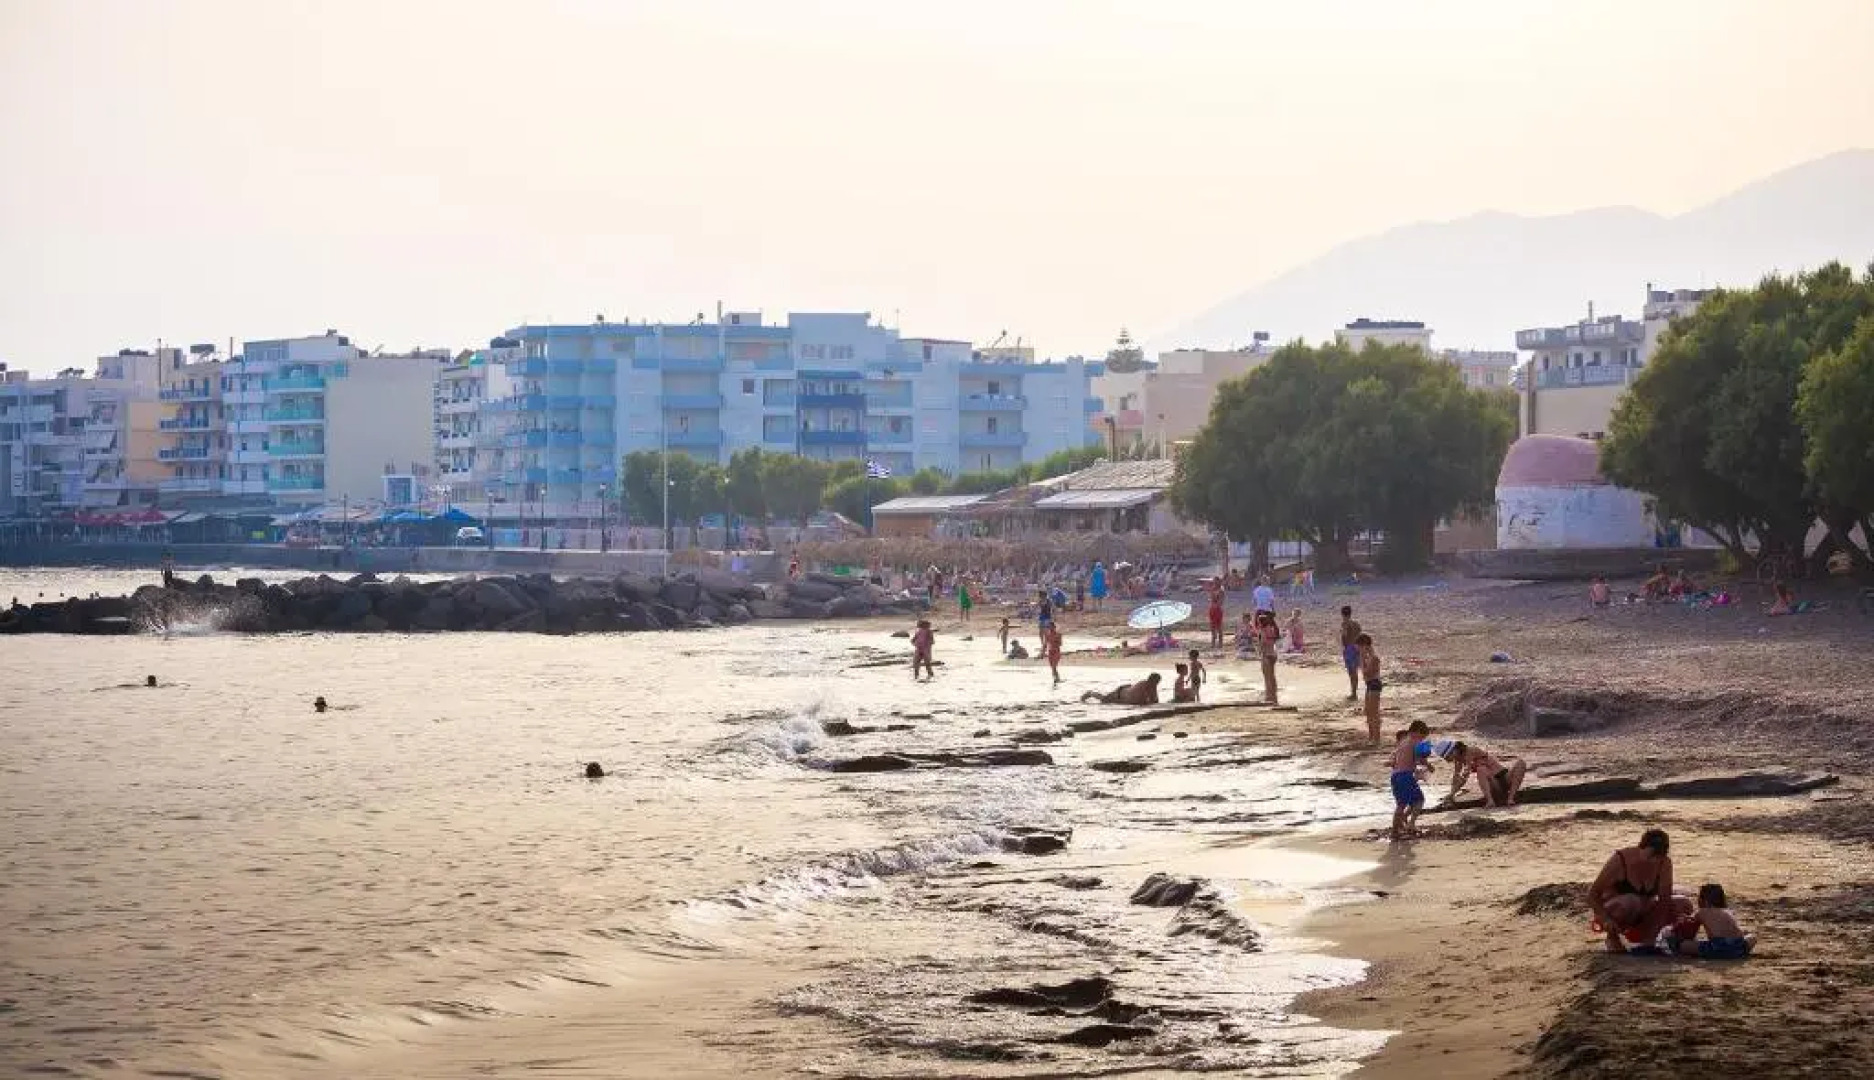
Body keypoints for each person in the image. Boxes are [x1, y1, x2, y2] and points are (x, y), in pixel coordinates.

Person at [1587, 829, 1680, 954]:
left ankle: (1652, 940)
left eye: (1658, 855)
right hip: (1613, 913)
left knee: (1683, 904)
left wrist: (1650, 940)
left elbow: (1664, 900)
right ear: (1641, 847)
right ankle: (1613, 939)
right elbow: (1592, 895)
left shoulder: (1664, 862)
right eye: (1651, 854)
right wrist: (1605, 919)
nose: (1653, 860)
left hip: (1643, 913)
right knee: (1631, 901)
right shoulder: (1620, 859)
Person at [1668, 883, 1755, 960]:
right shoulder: (1727, 911)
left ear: (1705, 902)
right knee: (1752, 937)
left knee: (1683, 945)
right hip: (1739, 946)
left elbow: (1688, 924)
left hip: (1718, 947)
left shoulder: (1702, 912)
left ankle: (1677, 945)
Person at [1447, 741, 1528, 807]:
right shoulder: (1458, 761)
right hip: (1493, 782)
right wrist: (1451, 794)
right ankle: (1490, 801)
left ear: (1455, 750)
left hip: (1504, 776)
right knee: (1481, 769)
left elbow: (1464, 776)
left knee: (1521, 763)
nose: (1447, 759)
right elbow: (1457, 777)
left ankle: (1511, 798)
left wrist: (1452, 793)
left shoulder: (1470, 751)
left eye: (1448, 756)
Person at [1390, 720, 1432, 840]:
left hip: (1396, 775)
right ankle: (1396, 831)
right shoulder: (1415, 742)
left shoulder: (1403, 741)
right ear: (1418, 732)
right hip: (1405, 776)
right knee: (1404, 804)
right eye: (1422, 736)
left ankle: (1408, 824)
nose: (1422, 739)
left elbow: (1402, 759)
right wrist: (1428, 765)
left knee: (1417, 800)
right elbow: (1420, 759)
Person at [1358, 632, 1383, 743]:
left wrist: (1362, 659)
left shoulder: (1373, 657)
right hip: (1369, 684)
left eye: (1359, 647)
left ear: (1364, 645)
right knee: (1368, 711)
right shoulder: (1369, 657)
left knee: (1374, 713)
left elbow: (1366, 672)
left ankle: (1376, 738)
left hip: (1374, 684)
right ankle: (1371, 736)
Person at [1081, 672, 1162, 706]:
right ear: (1151, 680)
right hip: (1120, 694)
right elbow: (1139, 701)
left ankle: (1091, 693)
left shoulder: (1152, 686)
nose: (1158, 683)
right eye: (1157, 681)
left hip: (1125, 694)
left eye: (1158, 682)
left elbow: (1155, 700)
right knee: (1104, 699)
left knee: (1105, 700)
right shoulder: (1143, 685)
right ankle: (1090, 693)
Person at [1255, 610, 1282, 704]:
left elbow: (1262, 644)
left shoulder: (1262, 631)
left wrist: (1259, 653)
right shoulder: (1272, 629)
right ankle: (1274, 696)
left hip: (1266, 655)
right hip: (1273, 654)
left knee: (1267, 678)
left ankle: (1269, 696)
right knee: (1272, 676)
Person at [1340, 606, 1364, 702]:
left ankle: (1353, 693)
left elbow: (1345, 635)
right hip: (1356, 648)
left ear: (1342, 614)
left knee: (1351, 672)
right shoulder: (1356, 624)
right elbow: (1360, 634)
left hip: (1349, 649)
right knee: (1355, 672)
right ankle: (1354, 692)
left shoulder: (1345, 624)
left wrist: (1345, 644)